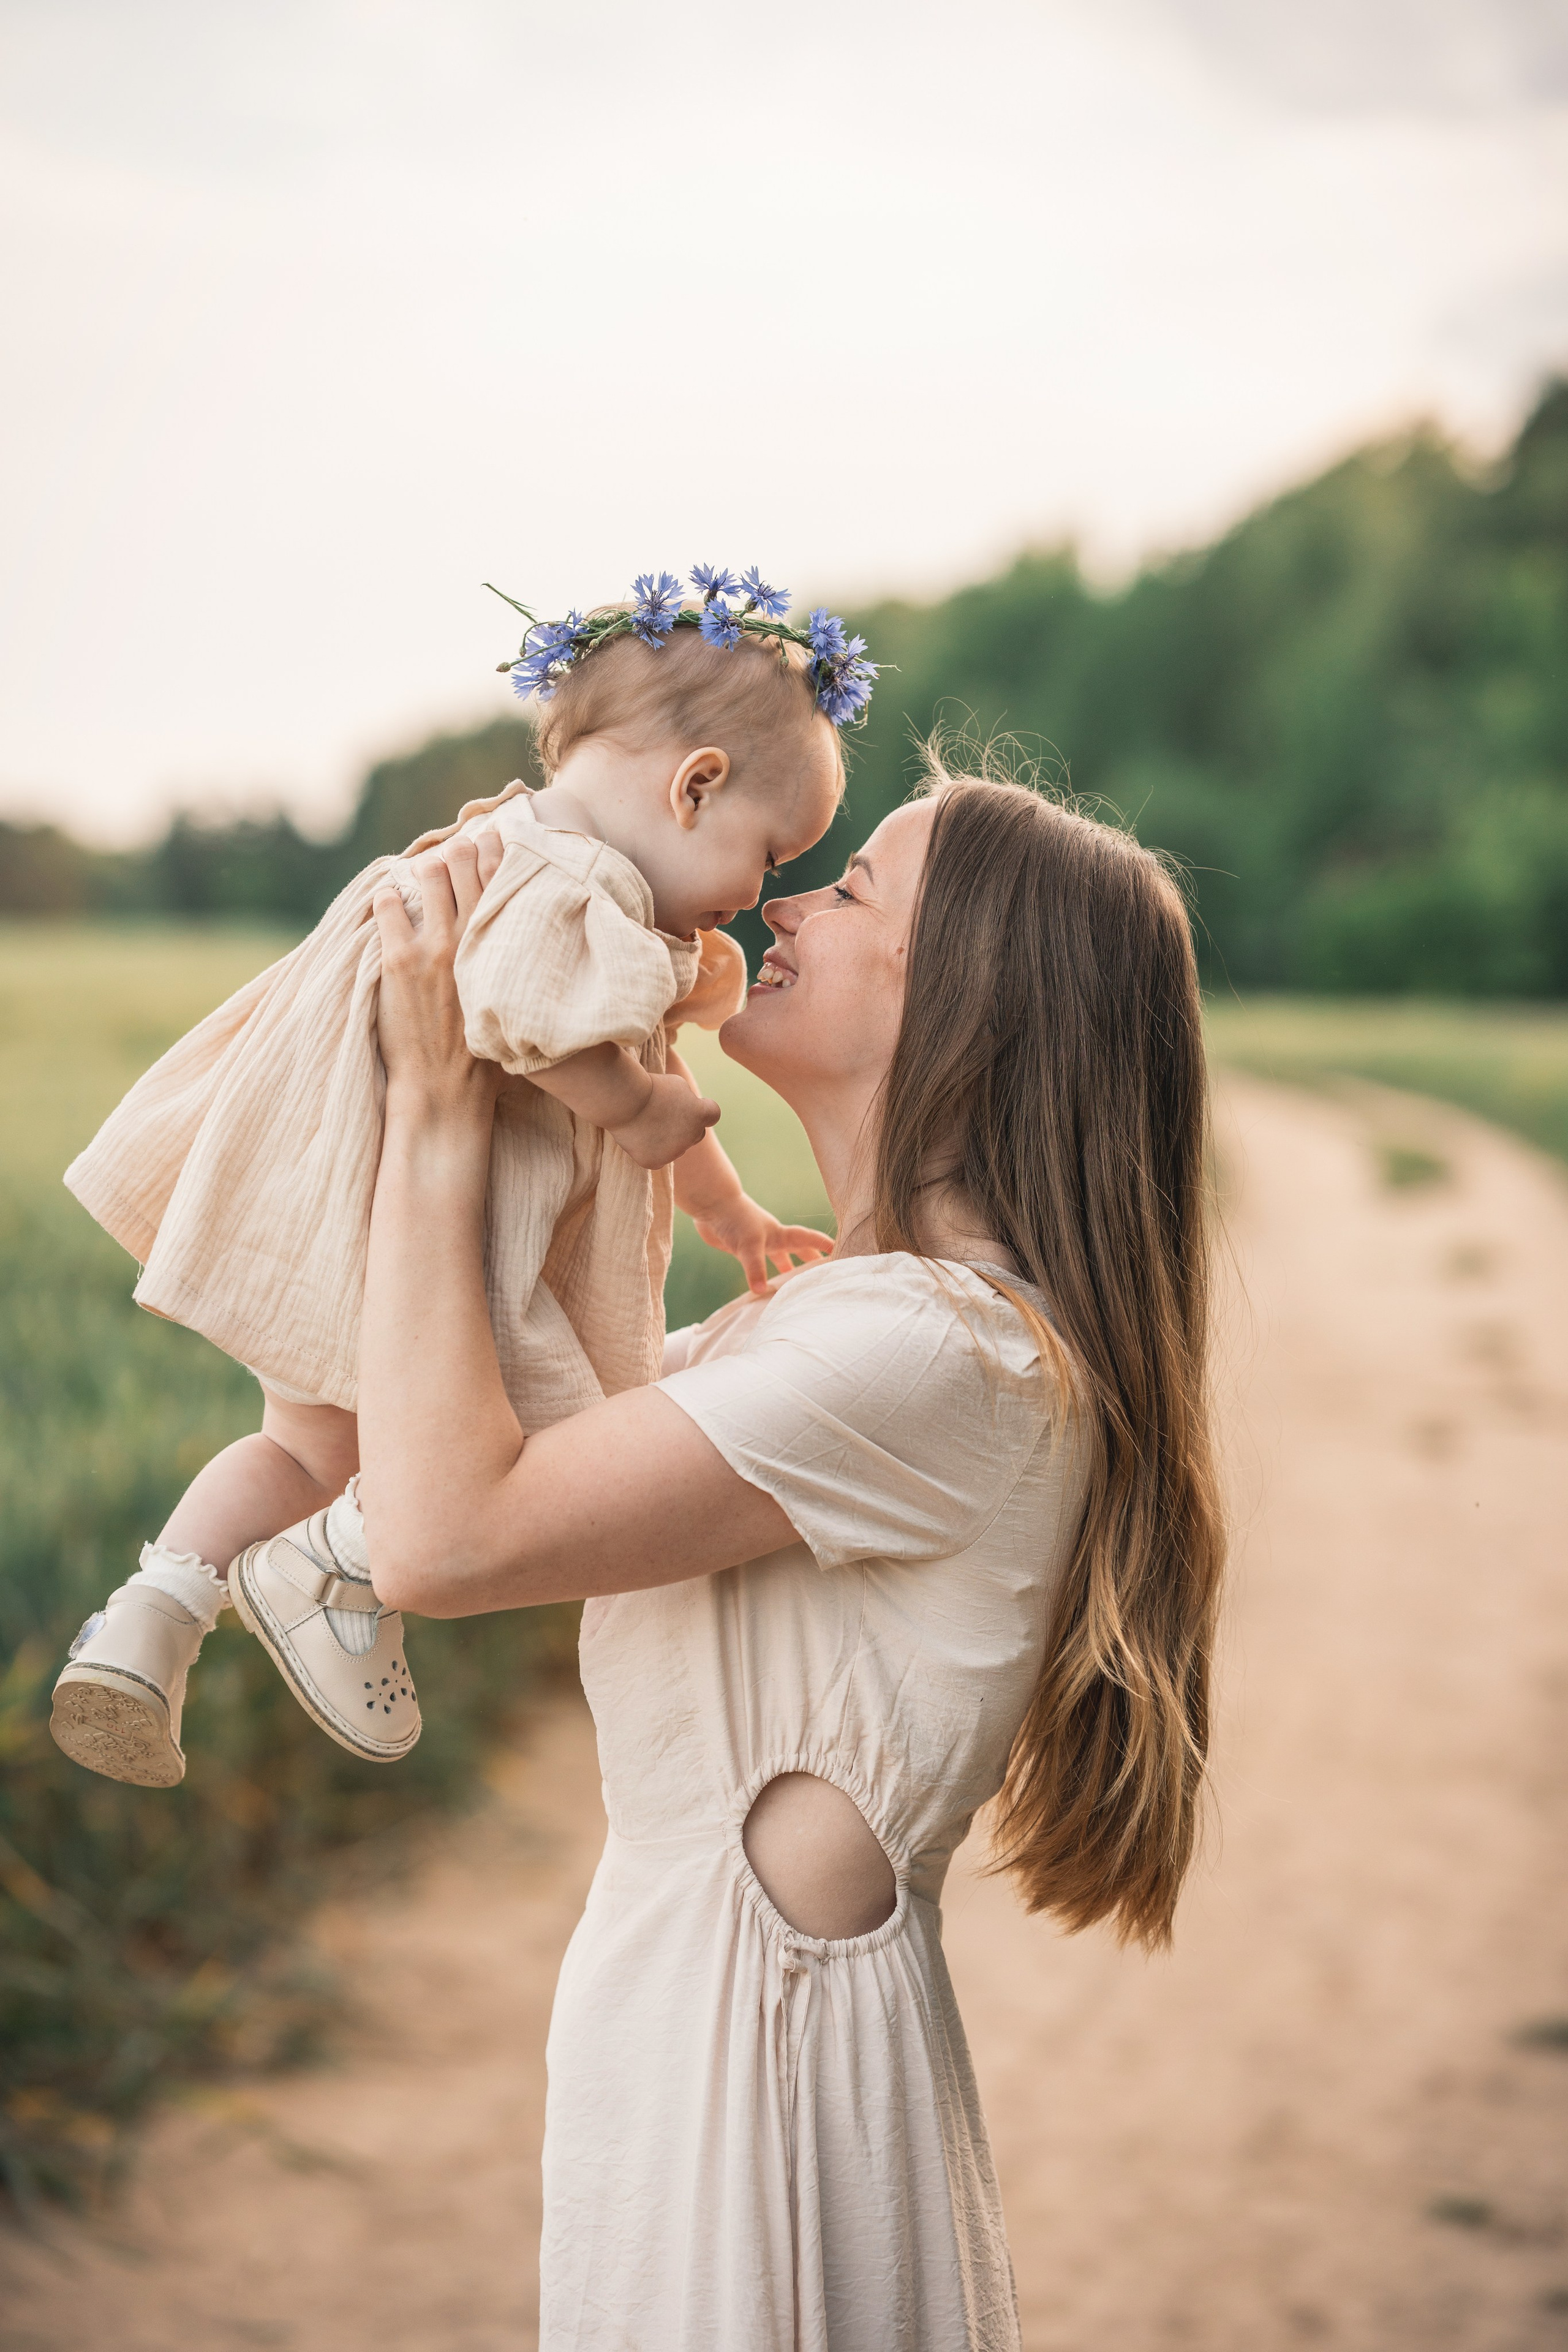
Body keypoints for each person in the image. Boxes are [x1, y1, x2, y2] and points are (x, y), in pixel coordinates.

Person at [355, 751, 1226, 2351]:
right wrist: (528, 971)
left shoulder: (940, 1354)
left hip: (759, 2077)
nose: (786, 903)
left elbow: (440, 1532)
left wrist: (431, 1112)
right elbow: (445, 1417)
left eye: (854, 887)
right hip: (691, 2026)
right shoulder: (836, 1322)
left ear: (968, 1001)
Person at [50, 569, 857, 1789]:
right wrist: (632, 1107)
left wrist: (723, 1206)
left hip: (340, 1205)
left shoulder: (505, 850)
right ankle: (335, 1584)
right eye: (770, 851)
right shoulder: (573, 886)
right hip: (434, 1228)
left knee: (304, 1450)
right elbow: (524, 1015)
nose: (761, 893)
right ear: (694, 785)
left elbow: (639, 1051)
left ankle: (149, 1621)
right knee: (525, 1449)